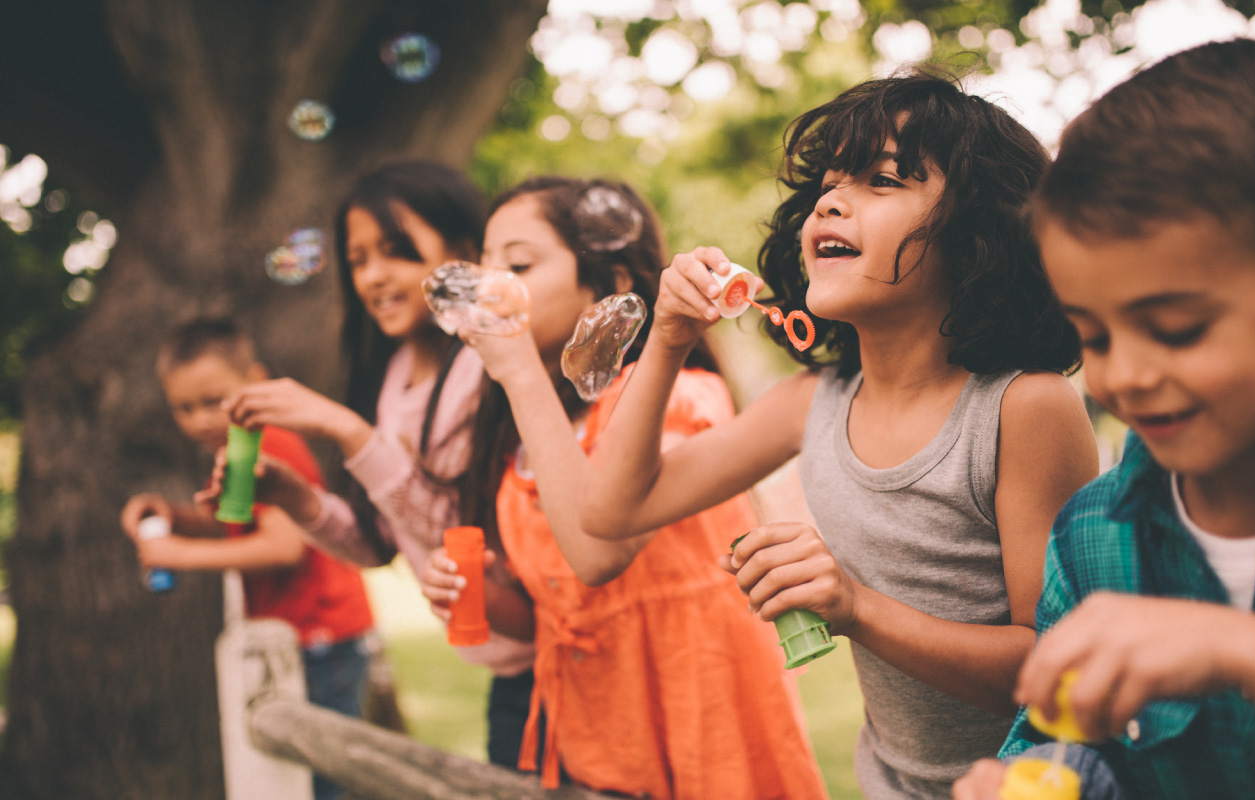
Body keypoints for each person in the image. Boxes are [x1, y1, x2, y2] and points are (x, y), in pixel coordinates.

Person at [577, 73, 1101, 799]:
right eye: (826, 185)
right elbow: (612, 512)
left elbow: (1059, 672)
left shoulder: (1023, 408)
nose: (831, 200)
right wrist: (666, 340)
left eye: (883, 179)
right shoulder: (813, 403)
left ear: (978, 231)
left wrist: (855, 607)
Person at [952, 39, 1255, 800]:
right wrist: (1035, 780)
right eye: (1093, 335)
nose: (1121, 374)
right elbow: (1066, 736)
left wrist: (1248, 651)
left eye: (1178, 329)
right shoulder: (1093, 534)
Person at [418, 175, 829, 799]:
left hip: (700, 719)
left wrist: (520, 374)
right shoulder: (530, 438)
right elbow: (556, 611)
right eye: (483, 262)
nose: (486, 283)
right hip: (598, 737)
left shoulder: (677, 401)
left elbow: (599, 555)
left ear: (608, 286)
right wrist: (469, 595)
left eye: (518, 263)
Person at [222, 161, 536, 768]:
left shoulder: (489, 370)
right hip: (508, 677)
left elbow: (454, 529)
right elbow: (378, 543)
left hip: (550, 654)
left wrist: (352, 433)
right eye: (358, 259)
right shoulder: (387, 378)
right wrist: (296, 498)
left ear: (467, 253)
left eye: (397, 251)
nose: (373, 276)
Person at [120, 317, 375, 800]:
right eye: (183, 407)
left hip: (323, 637)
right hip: (297, 637)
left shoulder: (270, 442)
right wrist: (176, 518)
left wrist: (180, 553)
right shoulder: (235, 446)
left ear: (256, 382)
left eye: (213, 401)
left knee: (320, 779)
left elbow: (283, 546)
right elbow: (243, 525)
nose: (199, 419)